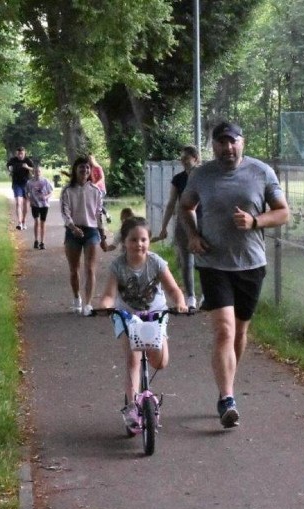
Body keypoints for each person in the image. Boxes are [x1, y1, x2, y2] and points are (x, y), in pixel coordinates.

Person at [179, 121, 290, 428]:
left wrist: (255, 221)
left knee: (240, 333)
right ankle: (227, 397)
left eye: (232, 142)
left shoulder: (261, 172)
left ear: (242, 142)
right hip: (213, 263)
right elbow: (186, 206)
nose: (227, 148)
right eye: (221, 143)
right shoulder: (201, 175)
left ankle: (226, 384)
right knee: (224, 331)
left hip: (250, 264)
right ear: (213, 146)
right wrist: (192, 234)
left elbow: (283, 212)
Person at [97, 216, 187, 431]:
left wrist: (181, 302)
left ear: (149, 241)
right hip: (128, 315)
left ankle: (141, 396)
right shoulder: (118, 266)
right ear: (124, 242)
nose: (139, 244)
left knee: (161, 361)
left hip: (154, 312)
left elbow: (173, 290)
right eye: (134, 239)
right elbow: (109, 294)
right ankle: (132, 406)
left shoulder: (156, 262)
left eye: (144, 239)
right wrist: (104, 307)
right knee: (132, 361)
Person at [155, 145, 201, 310]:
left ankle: (207, 295)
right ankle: (190, 297)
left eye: (185, 158)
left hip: (203, 222)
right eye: (181, 159)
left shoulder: (204, 176)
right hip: (184, 223)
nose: (182, 161)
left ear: (195, 158)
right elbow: (171, 203)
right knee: (186, 260)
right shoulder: (179, 179)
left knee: (205, 261)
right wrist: (164, 226)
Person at [61, 156, 106, 316]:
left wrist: (103, 235)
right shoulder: (67, 190)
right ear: (75, 169)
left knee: (90, 269)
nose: (85, 170)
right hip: (73, 232)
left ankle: (88, 304)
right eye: (81, 167)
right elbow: (65, 213)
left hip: (91, 232)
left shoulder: (96, 191)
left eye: (87, 168)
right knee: (74, 269)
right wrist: (73, 227)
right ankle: (76, 298)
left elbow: (99, 214)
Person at [25, 166, 54, 250]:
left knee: (42, 223)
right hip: (34, 204)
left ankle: (42, 242)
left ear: (41, 172)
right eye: (35, 171)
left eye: (39, 171)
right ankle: (36, 240)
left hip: (44, 205)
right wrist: (29, 200)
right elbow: (26, 193)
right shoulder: (29, 182)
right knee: (36, 221)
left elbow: (51, 192)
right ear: (33, 172)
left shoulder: (45, 181)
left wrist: (46, 197)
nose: (37, 173)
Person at [6, 147, 34, 230]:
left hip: (27, 184)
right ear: (16, 153)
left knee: (26, 204)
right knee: (18, 202)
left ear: (25, 153)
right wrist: (9, 168)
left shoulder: (28, 160)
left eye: (22, 153)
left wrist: (27, 167)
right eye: (18, 154)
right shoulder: (13, 160)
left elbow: (34, 169)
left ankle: (24, 221)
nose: (20, 155)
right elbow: (8, 166)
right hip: (16, 183)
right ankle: (19, 223)